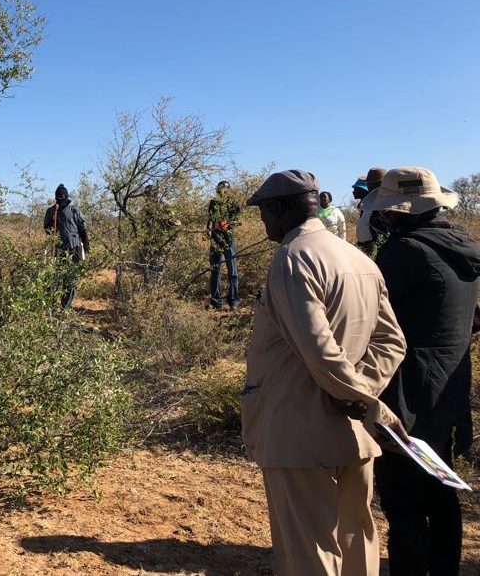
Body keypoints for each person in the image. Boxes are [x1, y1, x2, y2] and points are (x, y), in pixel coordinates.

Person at [243, 170, 407, 576]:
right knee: (356, 545)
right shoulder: (357, 258)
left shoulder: (292, 258)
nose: (263, 222)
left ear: (279, 209)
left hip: (300, 432)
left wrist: (358, 398)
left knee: (310, 554)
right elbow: (392, 343)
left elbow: (318, 350)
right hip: (354, 435)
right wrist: (364, 395)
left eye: (264, 212)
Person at [366, 167, 480, 575]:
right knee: (440, 488)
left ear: (398, 211)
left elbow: (373, 321)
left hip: (407, 393)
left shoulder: (403, 252)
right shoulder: (462, 245)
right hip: (448, 389)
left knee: (403, 500)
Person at [43, 184, 90, 308]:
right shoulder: (51, 211)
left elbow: (83, 230)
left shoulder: (74, 210)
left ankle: (65, 307)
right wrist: (52, 229)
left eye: (62, 197)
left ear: (66, 197)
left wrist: (86, 248)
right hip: (57, 250)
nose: (60, 200)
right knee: (55, 278)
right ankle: (51, 306)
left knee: (69, 279)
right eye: (58, 198)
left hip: (73, 250)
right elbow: (46, 228)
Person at [206, 180, 241, 309]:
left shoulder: (233, 203)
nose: (222, 190)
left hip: (228, 239)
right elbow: (210, 219)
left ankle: (233, 300)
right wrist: (208, 230)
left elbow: (237, 220)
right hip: (215, 239)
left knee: (232, 270)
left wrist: (228, 223)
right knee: (215, 270)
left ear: (228, 189)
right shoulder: (213, 202)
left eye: (224, 188)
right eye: (220, 187)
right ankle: (216, 301)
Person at [355, 167, 387, 252]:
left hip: (377, 247)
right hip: (365, 246)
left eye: (371, 183)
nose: (368, 185)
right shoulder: (367, 202)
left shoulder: (386, 203)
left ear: (380, 183)